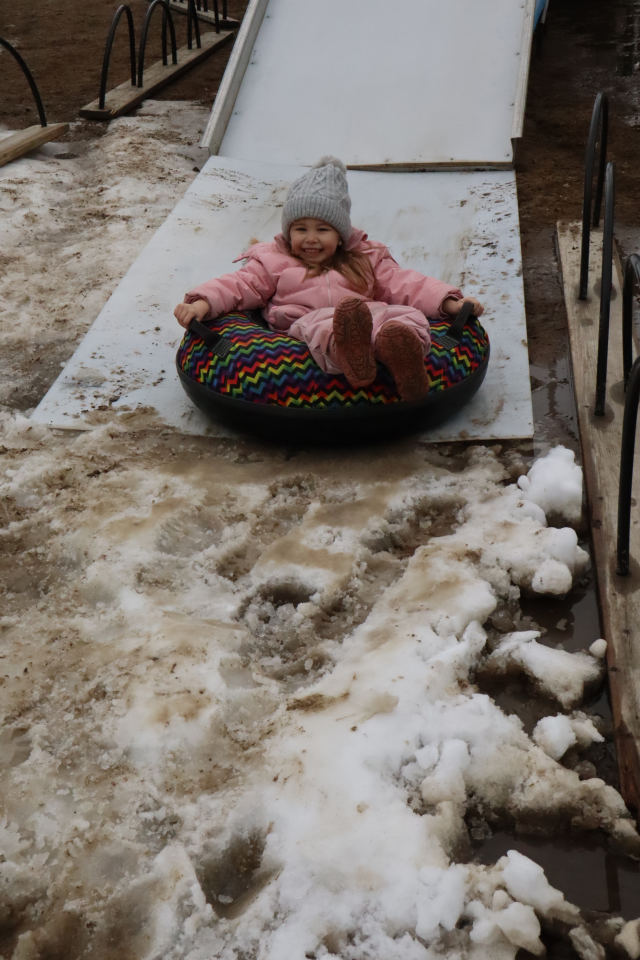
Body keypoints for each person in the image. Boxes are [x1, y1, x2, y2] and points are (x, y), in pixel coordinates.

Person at [175, 157, 483, 402]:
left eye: (322, 230)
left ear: (340, 235)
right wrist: (202, 303)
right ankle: (349, 356)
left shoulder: (366, 257)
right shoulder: (273, 260)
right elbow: (239, 286)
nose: (310, 239)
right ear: (287, 231)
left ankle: (402, 354)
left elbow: (405, 284)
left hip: (369, 315)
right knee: (324, 326)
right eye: (300, 229)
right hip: (306, 320)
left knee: (404, 316)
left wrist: (449, 302)